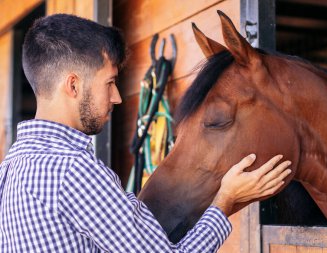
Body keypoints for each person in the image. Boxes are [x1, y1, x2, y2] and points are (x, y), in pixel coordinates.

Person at [0, 14, 292, 252]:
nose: (116, 97)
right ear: (73, 86)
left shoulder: (10, 168)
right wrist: (224, 200)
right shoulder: (72, 170)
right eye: (110, 83)